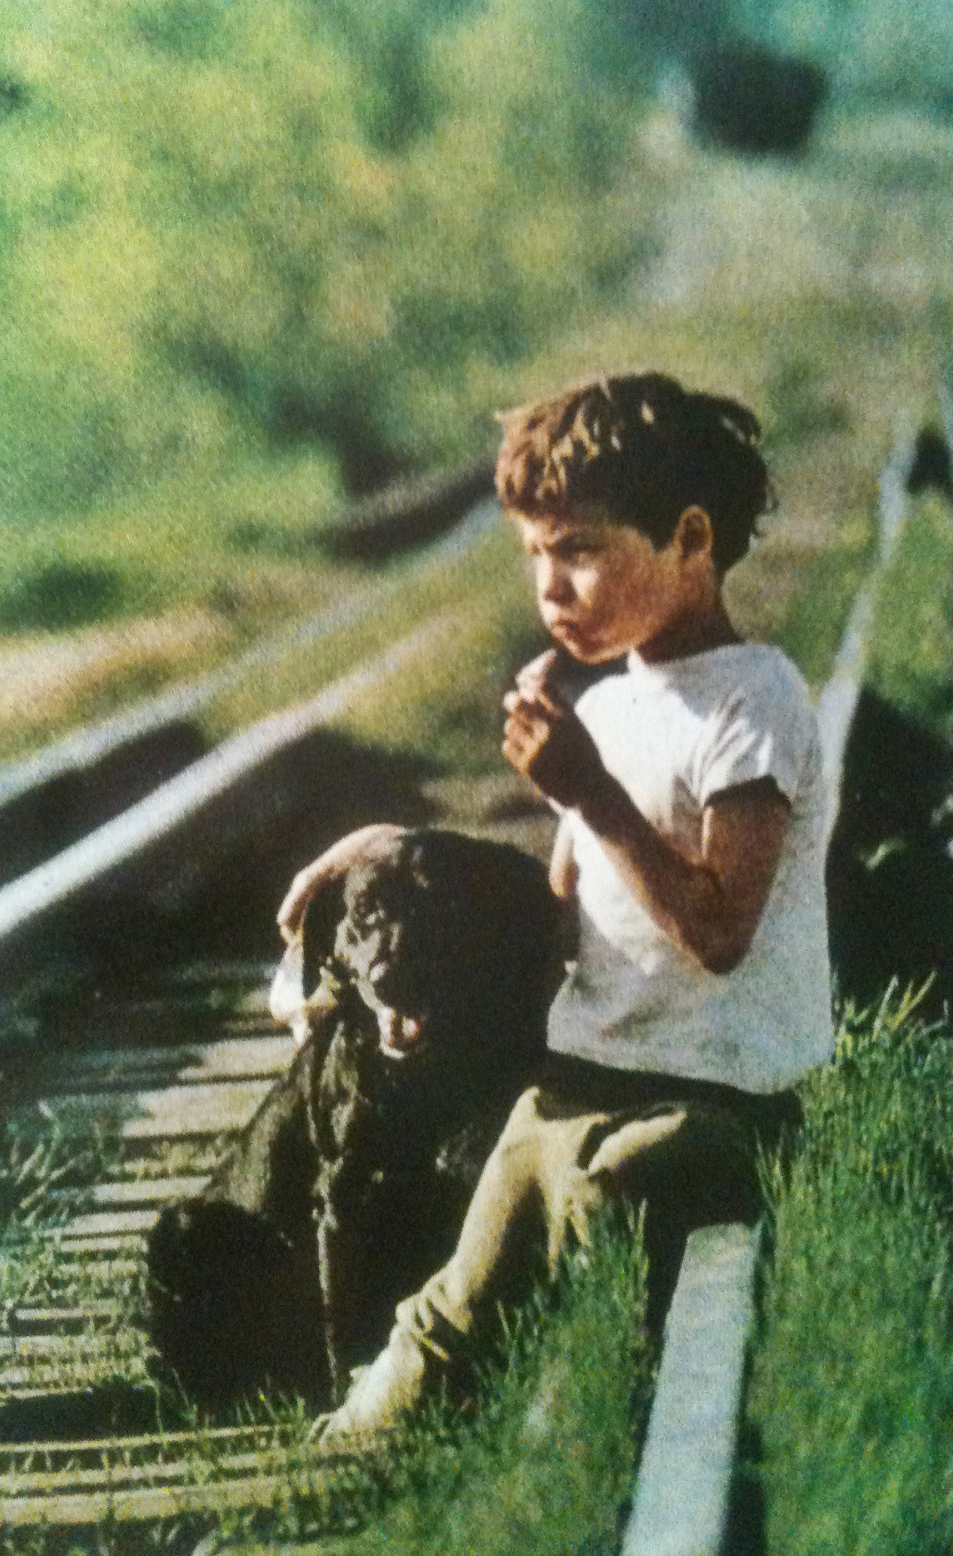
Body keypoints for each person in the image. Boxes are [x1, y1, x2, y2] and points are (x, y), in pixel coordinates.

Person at [276, 370, 833, 1438]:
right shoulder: (607, 706)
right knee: (451, 1307)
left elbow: (718, 931)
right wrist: (404, 898)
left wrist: (584, 792)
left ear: (689, 538)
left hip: (713, 1102)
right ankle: (349, 1452)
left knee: (605, 1188)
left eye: (579, 549)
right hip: (583, 1086)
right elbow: (560, 922)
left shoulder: (752, 700)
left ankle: (573, 1427)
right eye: (534, 555)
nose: (550, 585)